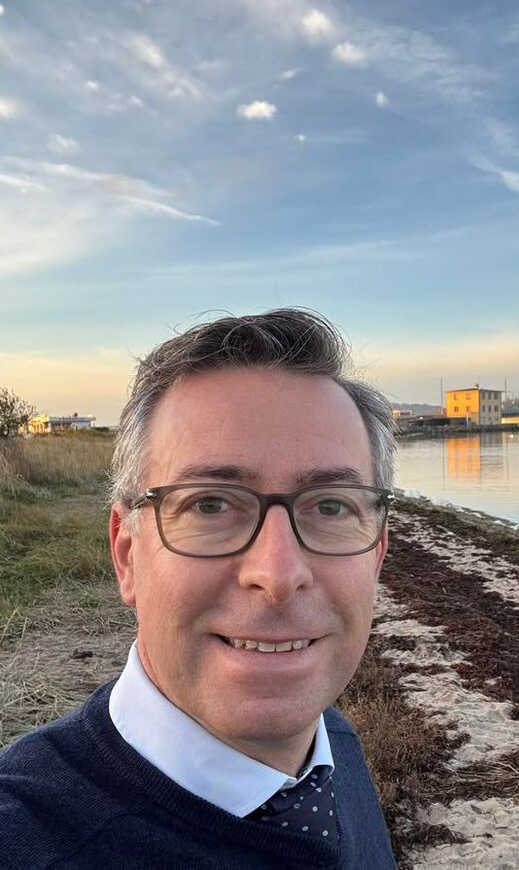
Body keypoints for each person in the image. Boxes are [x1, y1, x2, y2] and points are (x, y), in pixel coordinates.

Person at [0, 309, 397, 869]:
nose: (278, 574)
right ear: (127, 554)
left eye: (331, 506)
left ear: (377, 552)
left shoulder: (332, 745)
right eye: (210, 504)